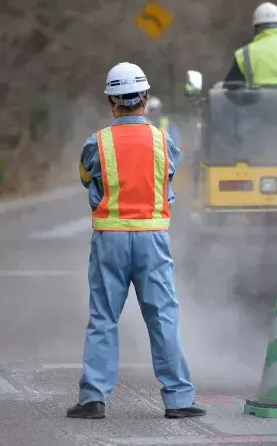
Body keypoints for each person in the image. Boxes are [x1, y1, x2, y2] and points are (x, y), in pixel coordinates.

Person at [69, 62, 205, 420]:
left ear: (111, 101)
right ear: (144, 97)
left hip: (110, 238)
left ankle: (94, 399)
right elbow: (170, 173)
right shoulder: (165, 141)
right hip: (152, 238)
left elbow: (86, 176)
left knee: (103, 319)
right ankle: (178, 399)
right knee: (163, 317)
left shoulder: (96, 142)